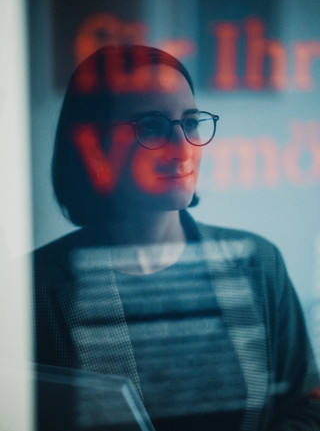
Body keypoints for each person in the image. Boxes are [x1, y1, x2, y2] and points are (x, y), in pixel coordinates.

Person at [34, 45, 320, 431]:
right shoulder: (36, 285)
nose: (183, 149)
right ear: (92, 146)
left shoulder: (257, 262)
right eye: (151, 126)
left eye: (191, 122)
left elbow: (306, 406)